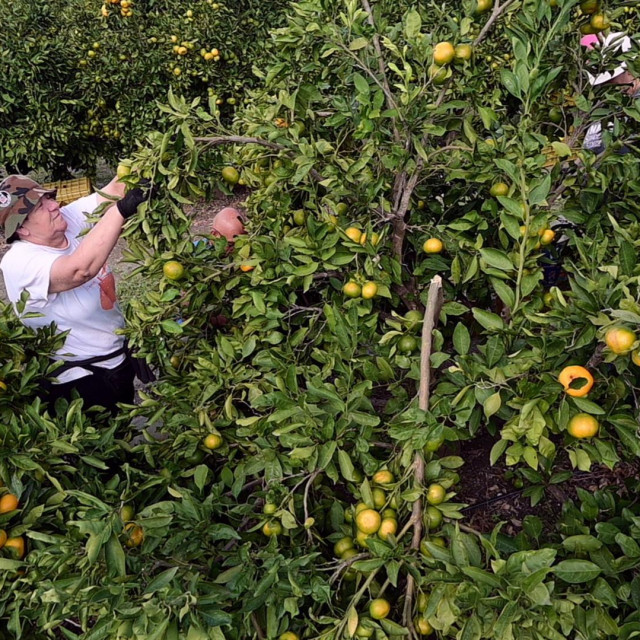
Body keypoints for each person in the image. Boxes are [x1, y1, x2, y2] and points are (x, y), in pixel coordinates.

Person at [0, 173, 153, 414]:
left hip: (116, 362)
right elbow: (79, 270)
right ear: (22, 230)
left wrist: (146, 164)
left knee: (122, 429)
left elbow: (113, 189)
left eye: (49, 198)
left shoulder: (64, 221)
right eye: (40, 206)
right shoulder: (18, 262)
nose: (54, 205)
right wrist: (121, 210)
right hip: (79, 381)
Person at [581, 32, 639, 153]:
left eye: (612, 81)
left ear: (630, 72)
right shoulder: (607, 107)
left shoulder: (634, 107)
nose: (607, 88)